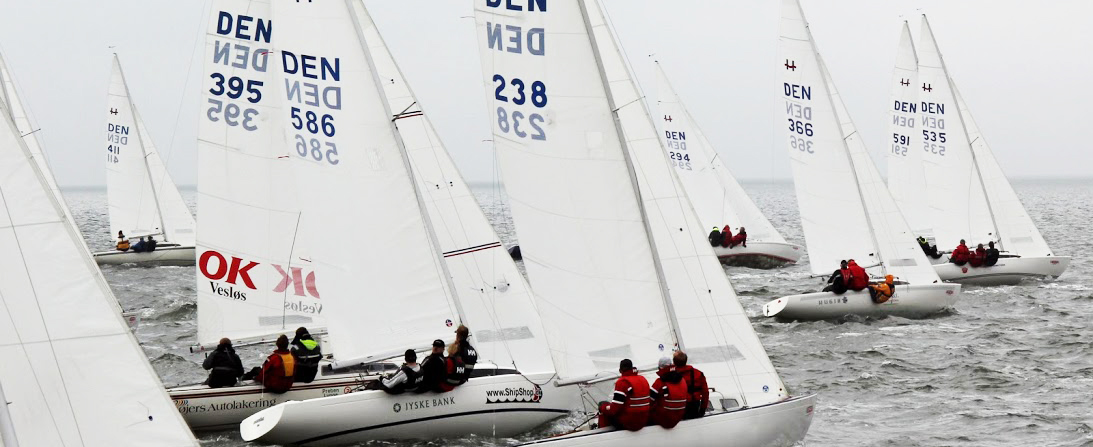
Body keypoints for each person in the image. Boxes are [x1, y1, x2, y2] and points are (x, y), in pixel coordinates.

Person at [597, 359, 651, 431]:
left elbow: (614, 409)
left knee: (602, 405)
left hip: (629, 423)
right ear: (632, 368)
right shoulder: (643, 379)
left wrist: (603, 407)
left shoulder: (622, 382)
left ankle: (602, 434)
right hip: (644, 420)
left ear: (620, 370)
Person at [648, 357, 687, 429]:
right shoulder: (682, 379)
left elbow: (649, 401)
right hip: (679, 416)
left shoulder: (660, 382)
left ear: (660, 368)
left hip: (664, 418)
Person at [672, 351, 709, 419]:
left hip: (677, 407)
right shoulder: (698, 373)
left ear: (674, 362)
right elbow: (705, 392)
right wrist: (702, 409)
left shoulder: (670, 375)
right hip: (694, 405)